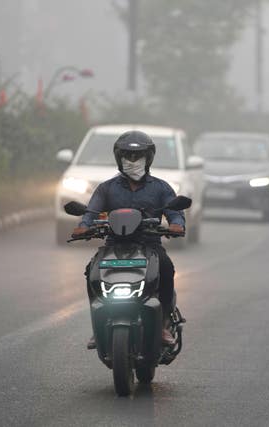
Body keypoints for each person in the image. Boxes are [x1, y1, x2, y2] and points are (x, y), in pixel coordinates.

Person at [72, 130, 185, 348]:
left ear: (148, 158)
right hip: (114, 246)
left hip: (149, 246)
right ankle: (99, 324)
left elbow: (175, 212)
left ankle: (162, 323)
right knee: (91, 271)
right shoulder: (106, 188)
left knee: (167, 268)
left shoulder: (161, 188)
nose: (133, 161)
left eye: (138, 156)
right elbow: (91, 212)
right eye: (128, 156)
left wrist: (176, 224)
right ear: (118, 157)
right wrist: (83, 227)